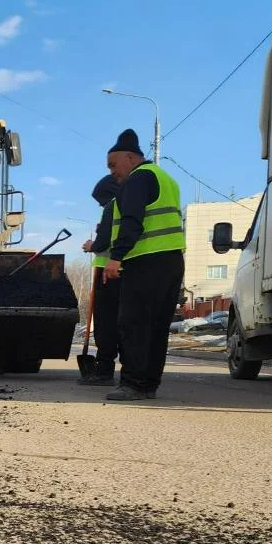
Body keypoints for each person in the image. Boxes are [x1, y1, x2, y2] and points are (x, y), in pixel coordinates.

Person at [102, 129, 185, 401]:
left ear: (130, 158)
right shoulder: (166, 179)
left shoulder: (137, 179)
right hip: (171, 261)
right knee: (157, 326)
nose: (113, 172)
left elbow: (132, 221)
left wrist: (116, 257)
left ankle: (134, 383)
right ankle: (148, 383)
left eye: (114, 165)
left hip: (145, 261)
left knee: (134, 323)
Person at [77, 174, 122, 385]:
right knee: (122, 323)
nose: (100, 204)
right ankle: (129, 371)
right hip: (125, 272)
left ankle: (104, 369)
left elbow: (103, 242)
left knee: (105, 324)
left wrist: (91, 246)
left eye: (100, 200)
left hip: (107, 274)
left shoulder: (112, 206)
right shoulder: (129, 207)